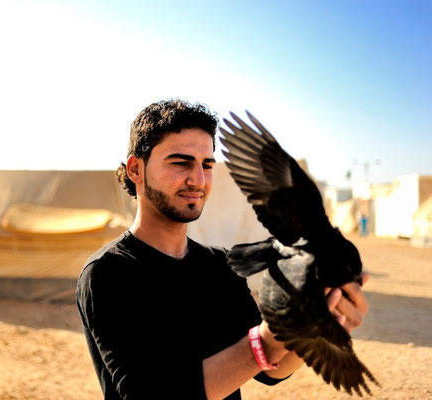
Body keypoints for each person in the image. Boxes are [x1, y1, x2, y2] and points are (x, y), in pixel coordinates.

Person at [76, 99, 369, 400]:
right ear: (136, 169)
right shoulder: (108, 273)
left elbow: (271, 371)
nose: (198, 180)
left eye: (207, 165)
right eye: (180, 163)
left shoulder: (219, 265)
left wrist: (314, 328)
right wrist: (262, 346)